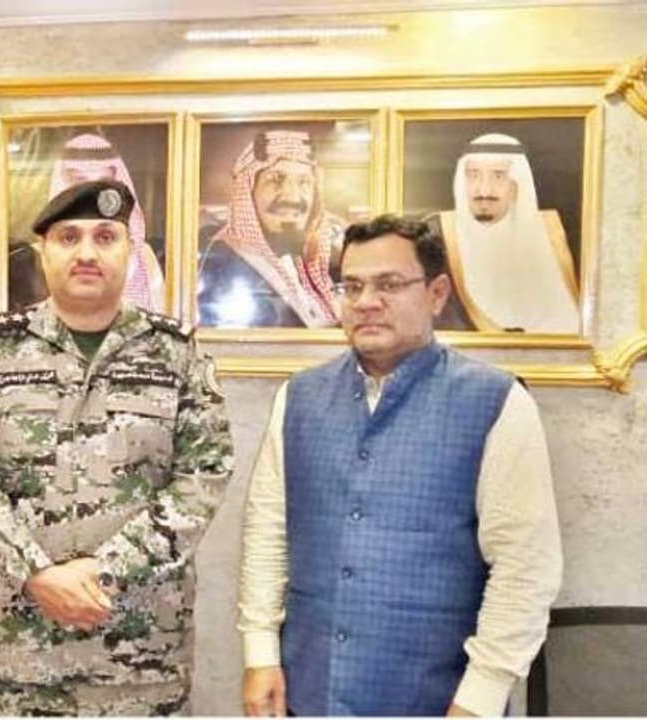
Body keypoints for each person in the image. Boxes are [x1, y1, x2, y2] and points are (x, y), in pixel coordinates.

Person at [238, 215, 562, 716]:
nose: (366, 301)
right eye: (352, 286)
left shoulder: (495, 402)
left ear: (436, 294)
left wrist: (480, 696)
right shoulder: (298, 398)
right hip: (309, 690)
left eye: (388, 284)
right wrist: (260, 652)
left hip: (438, 699)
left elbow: (525, 566)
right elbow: (268, 532)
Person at [0, 179, 234, 715]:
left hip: (139, 656)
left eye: (105, 237)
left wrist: (105, 572)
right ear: (43, 252)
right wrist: (37, 571)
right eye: (68, 237)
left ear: (131, 251)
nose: (86, 253)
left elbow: (205, 473)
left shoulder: (176, 352)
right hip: (20, 655)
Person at [427, 133, 580, 333]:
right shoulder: (436, 236)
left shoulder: (559, 235)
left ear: (517, 184)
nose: (484, 191)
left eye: (498, 176)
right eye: (473, 175)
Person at [196, 129, 344, 328]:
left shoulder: (309, 267)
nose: (292, 197)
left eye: (304, 182)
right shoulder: (219, 263)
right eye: (275, 179)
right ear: (249, 193)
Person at [10, 133, 167, 312]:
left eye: (102, 183)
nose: (92, 194)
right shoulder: (28, 264)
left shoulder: (145, 257)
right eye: (80, 183)